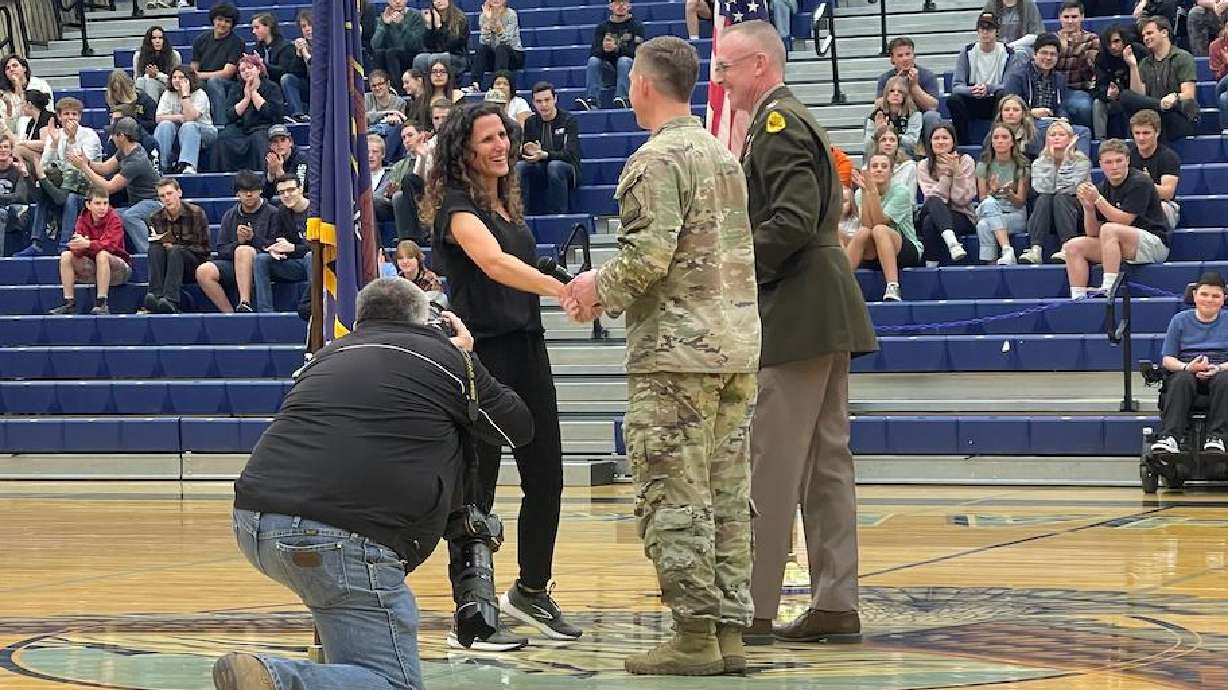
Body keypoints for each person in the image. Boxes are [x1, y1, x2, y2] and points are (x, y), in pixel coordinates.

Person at [214, 277, 533, 690]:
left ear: (362, 319)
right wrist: (468, 359)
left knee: (350, 645)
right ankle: (277, 680)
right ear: (424, 320)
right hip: (345, 536)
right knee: (391, 683)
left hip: (254, 522)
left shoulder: (330, 353)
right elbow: (517, 426)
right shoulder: (444, 358)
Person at [561, 35, 760, 676]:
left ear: (642, 85)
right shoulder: (722, 155)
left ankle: (694, 635)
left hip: (676, 353)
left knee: (673, 493)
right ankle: (730, 632)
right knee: (726, 494)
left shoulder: (655, 160)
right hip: (734, 346)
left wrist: (596, 289)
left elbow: (646, 260)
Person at [714, 19, 876, 647]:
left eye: (727, 67)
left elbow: (790, 220)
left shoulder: (778, 125)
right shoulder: (787, 120)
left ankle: (752, 609)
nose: (721, 79)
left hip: (797, 310)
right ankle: (836, 602)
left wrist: (729, 270)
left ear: (759, 65)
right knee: (825, 462)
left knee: (774, 464)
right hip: (821, 305)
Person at [423, 101, 582, 648]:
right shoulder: (456, 207)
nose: (501, 147)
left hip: (528, 350)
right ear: (463, 148)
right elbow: (492, 264)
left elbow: (525, 261)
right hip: (480, 357)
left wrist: (577, 282)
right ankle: (473, 615)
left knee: (548, 476)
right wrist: (563, 291)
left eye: (504, 137)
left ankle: (531, 589)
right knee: (479, 490)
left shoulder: (508, 208)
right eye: (488, 138)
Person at [1064, 138, 1170, 298]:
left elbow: (1125, 220)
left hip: (1153, 243)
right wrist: (1089, 209)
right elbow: (1093, 233)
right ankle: (1078, 298)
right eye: (1108, 162)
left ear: (1127, 160)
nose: (1114, 167)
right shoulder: (1103, 187)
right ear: (1100, 164)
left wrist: (1098, 200)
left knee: (1109, 229)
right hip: (1119, 244)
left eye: (1118, 161)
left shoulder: (1140, 182)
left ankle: (1109, 287)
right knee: (1072, 246)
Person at [1151, 271, 1228, 455]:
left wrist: (1218, 368)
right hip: (1187, 372)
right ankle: (1170, 437)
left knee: (1225, 380)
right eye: (1204, 294)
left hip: (1220, 373)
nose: (1209, 300)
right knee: (1181, 379)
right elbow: (1167, 359)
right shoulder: (1179, 320)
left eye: (1215, 296)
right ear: (1194, 295)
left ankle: (1217, 437)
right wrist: (1188, 367)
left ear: (1223, 299)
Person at [14, 97, 100, 257]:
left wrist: (72, 140)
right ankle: (36, 244)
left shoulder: (89, 135)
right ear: (59, 117)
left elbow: (81, 166)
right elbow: (46, 167)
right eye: (66, 114)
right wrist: (53, 144)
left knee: (70, 198)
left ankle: (65, 245)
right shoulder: (55, 135)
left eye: (74, 114)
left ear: (80, 117)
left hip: (86, 187)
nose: (70, 118)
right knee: (45, 193)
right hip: (63, 185)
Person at [67, 117, 160, 254]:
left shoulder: (136, 160)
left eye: (113, 134)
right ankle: (107, 249)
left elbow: (109, 188)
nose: (111, 138)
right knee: (108, 214)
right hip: (137, 204)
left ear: (121, 136)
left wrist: (83, 168)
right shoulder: (125, 151)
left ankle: (148, 253)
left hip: (153, 202)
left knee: (130, 216)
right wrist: (87, 162)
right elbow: (105, 168)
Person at [196, 170, 279, 314]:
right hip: (234, 263)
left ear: (260, 191)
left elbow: (276, 245)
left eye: (252, 190)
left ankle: (244, 302)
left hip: (264, 262)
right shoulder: (230, 215)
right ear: (237, 194)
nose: (248, 195)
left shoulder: (273, 213)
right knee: (203, 271)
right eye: (244, 191)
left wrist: (252, 239)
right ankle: (229, 313)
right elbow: (221, 249)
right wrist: (238, 242)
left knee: (244, 250)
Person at [848, 153, 924, 301]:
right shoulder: (859, 193)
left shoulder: (901, 191)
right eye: (874, 166)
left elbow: (879, 222)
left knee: (880, 230)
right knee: (863, 232)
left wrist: (873, 193)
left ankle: (893, 286)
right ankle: (841, 283)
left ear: (891, 172)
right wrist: (865, 193)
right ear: (868, 170)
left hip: (906, 250)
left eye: (884, 166)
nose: (879, 170)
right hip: (875, 251)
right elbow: (867, 225)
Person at [47, 187, 132, 316]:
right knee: (66, 255)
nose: (102, 207)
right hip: (93, 268)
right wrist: (78, 246)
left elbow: (110, 246)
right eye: (98, 203)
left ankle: (101, 304)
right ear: (88, 205)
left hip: (118, 270)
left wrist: (88, 244)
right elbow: (77, 247)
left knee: (102, 254)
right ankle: (69, 303)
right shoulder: (82, 220)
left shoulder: (115, 218)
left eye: (105, 203)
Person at [1019, 120, 1090, 264]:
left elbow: (1068, 189)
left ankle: (1067, 246)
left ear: (1070, 139)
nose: (1056, 137)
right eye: (1052, 135)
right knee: (1044, 198)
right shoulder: (1039, 162)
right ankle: (1036, 249)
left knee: (1061, 197)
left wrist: (1066, 159)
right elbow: (1042, 189)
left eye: (1061, 134)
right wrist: (1050, 163)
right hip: (1047, 214)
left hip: (1074, 213)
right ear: (1047, 139)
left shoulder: (1082, 161)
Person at [1121, 16, 1199, 142]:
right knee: (1126, 96)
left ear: (1164, 33)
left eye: (1150, 33)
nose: (1146, 38)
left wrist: (1174, 97)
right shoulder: (1145, 63)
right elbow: (1139, 96)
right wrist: (1133, 66)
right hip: (1154, 114)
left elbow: (1189, 94)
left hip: (1178, 117)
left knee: (1157, 117)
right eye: (1144, 35)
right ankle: (1159, 105)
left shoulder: (1182, 57)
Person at [143, 177, 209, 314]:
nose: (167, 198)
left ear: (179, 193)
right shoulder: (155, 217)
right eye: (162, 196)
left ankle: (170, 300)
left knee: (176, 250)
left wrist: (177, 246)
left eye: (170, 193)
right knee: (154, 249)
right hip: (168, 264)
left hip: (193, 264)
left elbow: (204, 249)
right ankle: (155, 296)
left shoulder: (196, 213)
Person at [948, 14, 1016, 146]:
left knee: (1004, 96)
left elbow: (1009, 85)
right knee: (954, 100)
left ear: (997, 31)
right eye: (982, 29)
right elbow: (956, 85)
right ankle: (963, 143)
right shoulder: (967, 51)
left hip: (994, 98)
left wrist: (988, 88)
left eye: (989, 29)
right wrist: (971, 90)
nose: (985, 33)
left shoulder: (1008, 52)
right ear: (977, 31)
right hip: (973, 97)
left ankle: (997, 139)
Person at [212, 54, 285, 173]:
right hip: (241, 127)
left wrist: (254, 93)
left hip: (263, 126)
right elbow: (230, 115)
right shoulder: (236, 88)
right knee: (223, 138)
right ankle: (224, 176)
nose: (246, 71)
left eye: (249, 68)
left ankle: (263, 175)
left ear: (258, 69)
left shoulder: (271, 87)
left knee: (259, 139)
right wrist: (246, 98)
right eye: (242, 70)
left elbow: (272, 114)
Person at [517, 82, 580, 216]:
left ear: (555, 99)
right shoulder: (530, 122)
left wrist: (545, 154)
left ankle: (557, 217)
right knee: (520, 167)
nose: (544, 105)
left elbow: (570, 155)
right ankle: (520, 217)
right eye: (539, 101)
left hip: (566, 168)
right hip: (540, 168)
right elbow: (524, 152)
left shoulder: (568, 120)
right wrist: (527, 152)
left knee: (554, 166)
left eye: (547, 100)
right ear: (533, 103)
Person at [916, 124, 975, 266]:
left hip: (961, 214)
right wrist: (948, 175)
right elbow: (934, 198)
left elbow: (962, 200)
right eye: (936, 138)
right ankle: (953, 243)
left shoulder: (966, 161)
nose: (940, 142)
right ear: (930, 142)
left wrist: (958, 173)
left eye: (945, 138)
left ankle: (931, 265)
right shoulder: (923, 165)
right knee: (933, 201)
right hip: (933, 207)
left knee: (930, 223)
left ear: (953, 141)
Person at [255, 175, 311, 313]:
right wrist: (275, 248)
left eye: (291, 190)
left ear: (301, 189)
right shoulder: (282, 211)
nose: (286, 195)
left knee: (312, 256)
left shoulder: (318, 209)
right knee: (261, 259)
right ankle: (266, 312)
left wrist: (293, 248)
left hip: (320, 264)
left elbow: (326, 245)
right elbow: (274, 237)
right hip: (294, 263)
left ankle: (315, 306)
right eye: (281, 192)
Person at [975, 124, 1030, 264]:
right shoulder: (984, 165)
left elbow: (1020, 202)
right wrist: (993, 191)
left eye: (1005, 137)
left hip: (1014, 212)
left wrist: (1008, 193)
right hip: (991, 208)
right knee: (988, 203)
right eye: (996, 137)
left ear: (1012, 142)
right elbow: (982, 198)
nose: (1000, 141)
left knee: (983, 225)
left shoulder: (1021, 165)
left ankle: (991, 264)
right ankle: (1007, 250)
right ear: (991, 142)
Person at [576, 0, 645, 111]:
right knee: (593, 61)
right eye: (617, 3)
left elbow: (637, 53)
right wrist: (605, 49)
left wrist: (616, 49)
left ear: (629, 6)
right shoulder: (602, 27)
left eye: (624, 3)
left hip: (630, 72)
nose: (621, 6)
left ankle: (623, 98)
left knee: (624, 61)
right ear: (610, 6)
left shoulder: (636, 26)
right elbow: (594, 53)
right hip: (609, 72)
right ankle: (592, 101)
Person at [190, 2, 245, 129]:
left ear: (232, 24)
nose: (223, 24)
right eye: (220, 19)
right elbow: (193, 68)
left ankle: (221, 125)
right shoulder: (200, 39)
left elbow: (227, 73)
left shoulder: (237, 42)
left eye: (227, 21)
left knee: (214, 82)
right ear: (213, 19)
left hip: (229, 84)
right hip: (204, 81)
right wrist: (195, 76)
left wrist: (199, 75)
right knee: (194, 84)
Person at [154, 66, 216, 176]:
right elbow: (158, 118)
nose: (177, 80)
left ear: (189, 79)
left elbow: (190, 118)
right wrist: (178, 117)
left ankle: (188, 166)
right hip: (179, 131)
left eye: (181, 77)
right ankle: (162, 165)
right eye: (174, 77)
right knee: (165, 125)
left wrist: (185, 95)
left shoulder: (200, 94)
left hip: (204, 131)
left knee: (189, 126)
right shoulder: (168, 93)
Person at [875, 37, 943, 136]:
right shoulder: (885, 78)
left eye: (908, 54)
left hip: (920, 116)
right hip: (895, 117)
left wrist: (914, 86)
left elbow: (932, 106)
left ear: (914, 55)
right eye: (900, 56)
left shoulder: (927, 75)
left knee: (932, 116)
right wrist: (895, 83)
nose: (905, 59)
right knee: (871, 118)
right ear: (892, 59)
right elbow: (877, 105)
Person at [1130, 109, 1182, 230]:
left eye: (1146, 133)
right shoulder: (1128, 156)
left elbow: (1168, 193)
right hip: (1134, 203)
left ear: (1157, 132)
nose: (1141, 138)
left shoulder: (1168, 157)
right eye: (1137, 133)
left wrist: (1145, 184)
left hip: (1164, 204)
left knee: (1161, 207)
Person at [1053, 1, 1099, 128]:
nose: (1070, 21)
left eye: (1074, 17)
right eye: (1066, 17)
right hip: (1053, 91)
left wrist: (1067, 47)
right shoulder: (1051, 39)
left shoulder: (1091, 38)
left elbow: (1090, 68)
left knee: (1083, 107)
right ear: (1060, 18)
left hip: (1079, 89)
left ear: (1082, 17)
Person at [1092, 23, 1136, 138]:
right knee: (1098, 104)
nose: (1113, 47)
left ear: (1124, 39)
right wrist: (1108, 94)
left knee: (1129, 99)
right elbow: (1098, 88)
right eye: (1109, 43)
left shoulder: (1138, 52)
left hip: (1136, 97)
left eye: (1116, 41)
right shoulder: (1102, 58)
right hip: (1112, 100)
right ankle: (1100, 141)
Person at [104, 69, 159, 158]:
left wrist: (130, 119)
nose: (118, 94)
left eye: (122, 90)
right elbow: (109, 126)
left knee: (150, 142)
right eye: (115, 91)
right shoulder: (111, 102)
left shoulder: (144, 99)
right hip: (120, 135)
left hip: (141, 132)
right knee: (111, 144)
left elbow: (152, 124)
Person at [373, 0, 426, 91]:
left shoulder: (416, 15)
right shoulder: (384, 16)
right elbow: (375, 44)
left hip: (412, 54)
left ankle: (397, 90)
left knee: (392, 53)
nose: (397, 2)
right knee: (379, 54)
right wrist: (384, 25)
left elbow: (416, 44)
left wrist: (401, 24)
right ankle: (380, 88)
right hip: (392, 57)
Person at [472, 0, 525, 92]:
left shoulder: (511, 15)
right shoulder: (484, 16)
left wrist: (497, 23)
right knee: (482, 49)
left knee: (501, 48)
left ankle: (497, 85)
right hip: (494, 56)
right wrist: (487, 23)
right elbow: (484, 41)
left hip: (513, 55)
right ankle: (475, 84)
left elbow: (507, 41)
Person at [863, 76, 922, 157]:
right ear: (886, 96)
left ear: (905, 95)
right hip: (880, 156)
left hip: (906, 156)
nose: (896, 93)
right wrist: (877, 133)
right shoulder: (877, 114)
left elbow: (912, 143)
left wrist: (893, 135)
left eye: (900, 91)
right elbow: (867, 146)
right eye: (892, 91)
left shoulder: (914, 114)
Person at [416, 0, 469, 76]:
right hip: (434, 55)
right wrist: (429, 27)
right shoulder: (429, 17)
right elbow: (426, 47)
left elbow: (451, 45)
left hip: (457, 57)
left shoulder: (460, 18)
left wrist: (439, 27)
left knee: (435, 58)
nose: (439, 1)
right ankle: (424, 87)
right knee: (419, 59)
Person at [133, 25, 181, 104]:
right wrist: (148, 76)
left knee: (151, 82)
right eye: (154, 38)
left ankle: (151, 112)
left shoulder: (174, 55)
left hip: (168, 87)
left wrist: (157, 75)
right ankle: (141, 112)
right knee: (140, 81)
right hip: (145, 84)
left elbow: (176, 81)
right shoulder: (139, 56)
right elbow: (136, 78)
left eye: (160, 38)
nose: (157, 41)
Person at [0, 135, 31, 256]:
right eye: (0, 147)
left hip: (16, 209)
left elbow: (19, 197)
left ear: (11, 150)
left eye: (5, 147)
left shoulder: (19, 170)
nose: (2, 150)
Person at [281, 10, 313, 123]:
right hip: (309, 86)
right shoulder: (301, 45)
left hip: (326, 87)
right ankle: (297, 114)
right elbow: (295, 73)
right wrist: (299, 55)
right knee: (287, 79)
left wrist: (306, 54)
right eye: (304, 26)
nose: (307, 29)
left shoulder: (327, 44)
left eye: (310, 25)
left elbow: (319, 70)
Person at [262, 124, 308, 201]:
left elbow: (300, 190)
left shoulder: (301, 158)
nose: (279, 145)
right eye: (275, 141)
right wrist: (270, 176)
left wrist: (281, 175)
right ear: (271, 146)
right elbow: (265, 196)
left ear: (290, 142)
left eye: (283, 140)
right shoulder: (271, 159)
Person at [251, 13, 294, 88]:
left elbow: (283, 71)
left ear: (268, 27)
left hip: (280, 84)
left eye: (257, 27)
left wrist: (263, 65)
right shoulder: (259, 47)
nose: (253, 31)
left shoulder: (286, 46)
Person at [1215, 23, 1228, 133]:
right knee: (1224, 98)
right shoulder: (1216, 46)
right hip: (1224, 83)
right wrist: (1226, 64)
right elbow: (1217, 75)